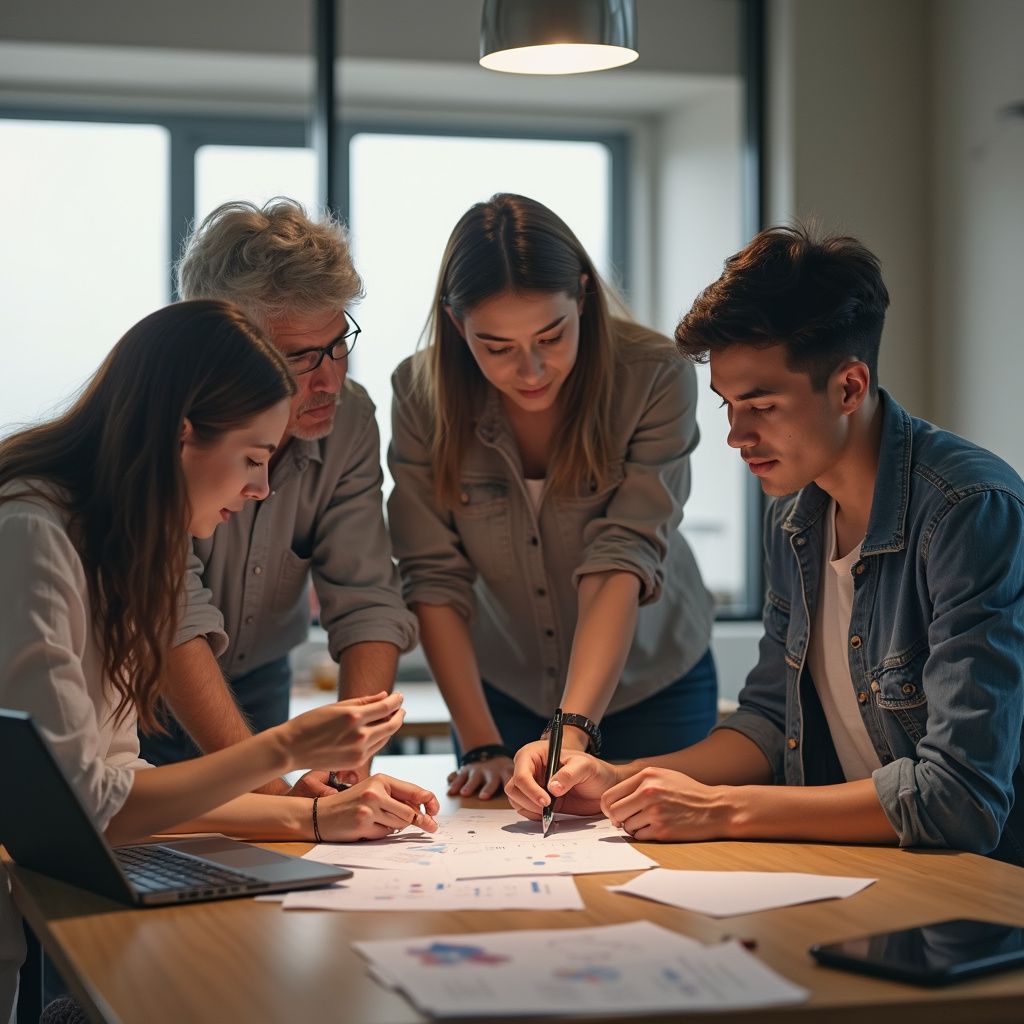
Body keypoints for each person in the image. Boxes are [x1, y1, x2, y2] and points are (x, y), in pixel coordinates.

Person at [505, 225, 1024, 866]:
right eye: (727, 404)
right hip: (870, 870)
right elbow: (771, 723)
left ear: (849, 388)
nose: (736, 435)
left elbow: (959, 798)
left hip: (983, 892)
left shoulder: (969, 512)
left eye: (762, 405)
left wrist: (720, 810)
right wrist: (617, 779)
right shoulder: (795, 518)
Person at [0, 301, 440, 1022]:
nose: (262, 489)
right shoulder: (33, 534)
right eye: (254, 458)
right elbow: (87, 809)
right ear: (181, 435)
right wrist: (287, 746)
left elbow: (115, 786)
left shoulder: (115, 541)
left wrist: (318, 818)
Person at [388, 193, 717, 801]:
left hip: (654, 680)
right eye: (497, 347)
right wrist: (481, 742)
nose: (532, 370)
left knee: (657, 858)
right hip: (503, 690)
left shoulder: (654, 374)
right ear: (457, 326)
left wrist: (571, 730)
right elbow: (433, 578)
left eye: (551, 336)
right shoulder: (419, 394)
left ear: (584, 299)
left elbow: (623, 554)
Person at [139, 199, 418, 789]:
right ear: (222, 346)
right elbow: (173, 617)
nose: (330, 380)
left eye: (338, 343)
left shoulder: (348, 419)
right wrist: (280, 797)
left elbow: (366, 597)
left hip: (259, 678)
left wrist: (349, 766)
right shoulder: (163, 427)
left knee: (266, 867)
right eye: (298, 357)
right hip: (141, 686)